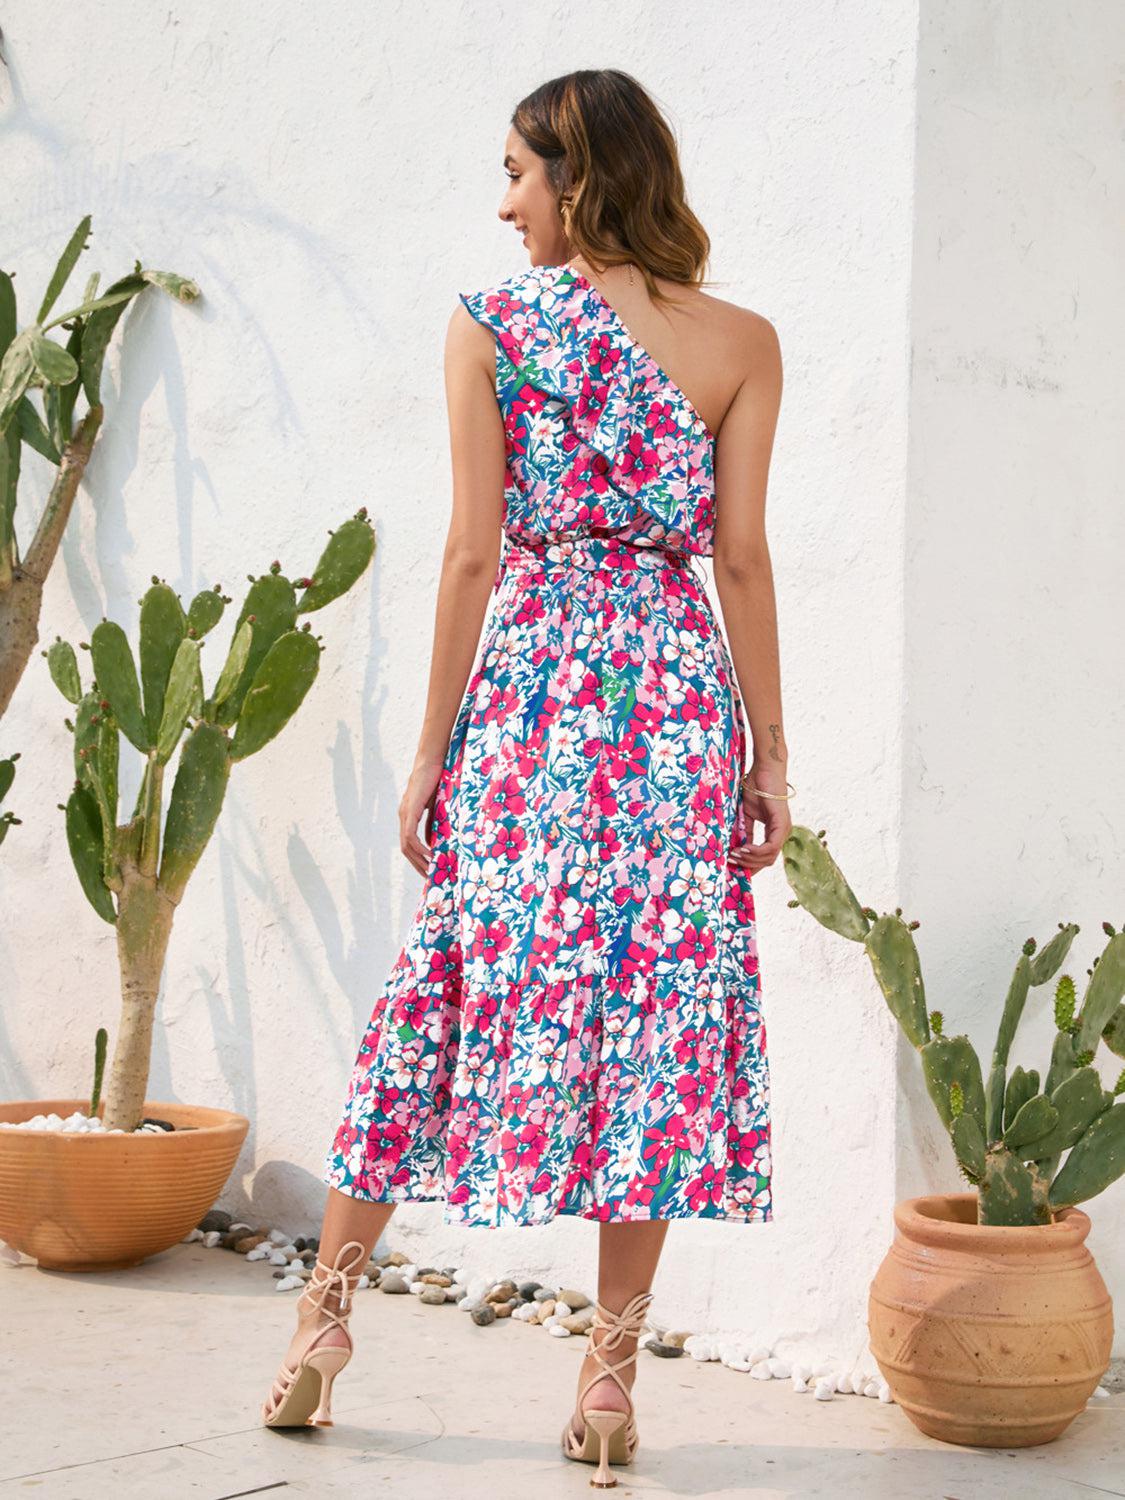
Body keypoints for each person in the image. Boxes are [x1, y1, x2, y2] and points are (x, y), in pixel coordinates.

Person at [261, 67, 788, 1487]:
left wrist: (432, 752)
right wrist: (768, 755)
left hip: (536, 699)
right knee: (658, 1020)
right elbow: (739, 560)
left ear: (579, 174)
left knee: (443, 981)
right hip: (672, 709)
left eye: (516, 173)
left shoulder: (494, 326)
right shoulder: (742, 343)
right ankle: (608, 1381)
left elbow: (472, 554)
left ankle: (325, 1318)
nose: (504, 205)